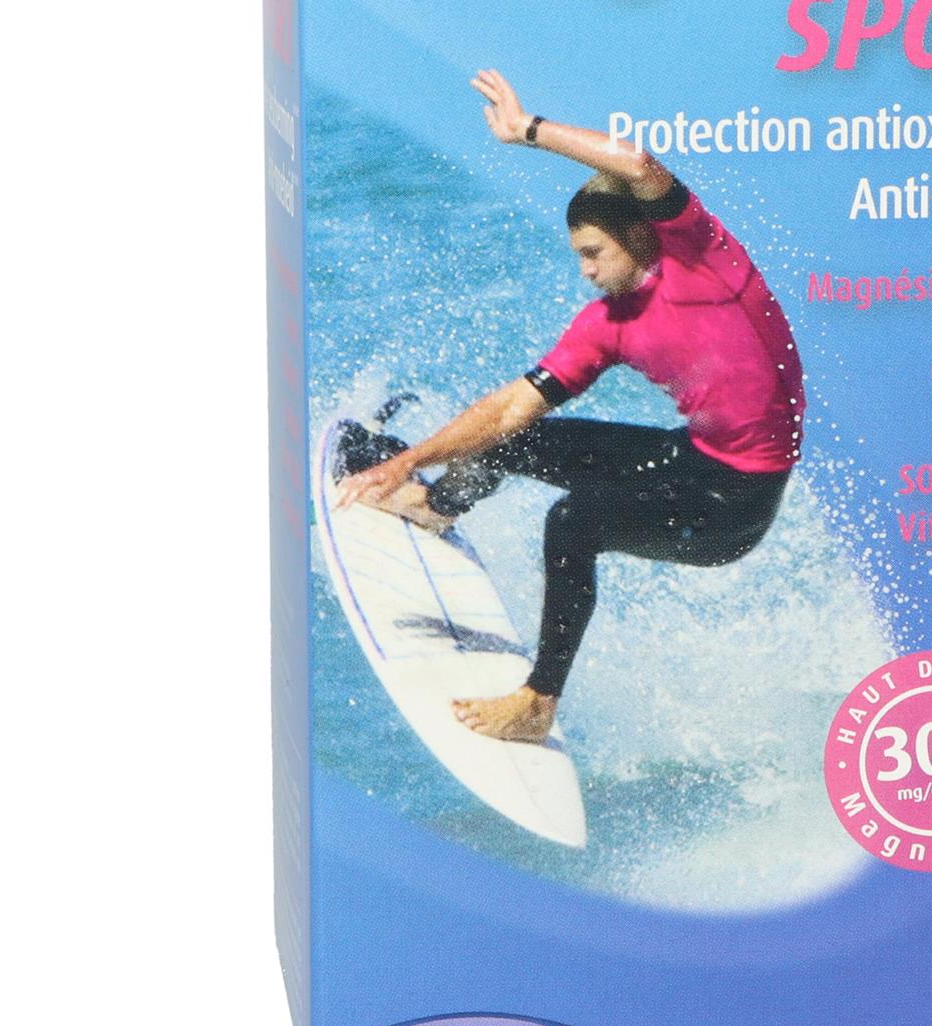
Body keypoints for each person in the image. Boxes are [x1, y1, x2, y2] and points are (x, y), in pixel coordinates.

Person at [336, 69, 804, 743]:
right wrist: (408, 461)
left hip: (736, 506)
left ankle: (536, 703)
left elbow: (636, 164)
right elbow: (510, 408)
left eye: (593, 252)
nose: (584, 269)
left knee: (574, 521)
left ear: (638, 236)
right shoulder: (605, 326)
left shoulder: (707, 260)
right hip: (694, 456)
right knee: (512, 438)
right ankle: (433, 506)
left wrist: (527, 130)